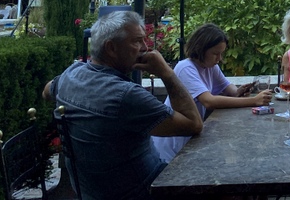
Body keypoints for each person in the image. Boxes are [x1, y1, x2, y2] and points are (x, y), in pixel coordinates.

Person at [42, 11, 202, 200]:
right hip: (144, 190)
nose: (145, 48)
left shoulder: (71, 74)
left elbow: (46, 91)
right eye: (137, 41)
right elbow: (193, 124)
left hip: (89, 192)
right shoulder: (126, 96)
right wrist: (166, 73)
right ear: (111, 48)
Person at [151, 24, 273, 162]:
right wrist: (254, 101)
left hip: (190, 138)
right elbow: (208, 101)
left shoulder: (209, 66)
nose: (219, 58)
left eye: (221, 53)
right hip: (173, 146)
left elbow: (229, 89)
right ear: (201, 49)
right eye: (215, 53)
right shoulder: (186, 68)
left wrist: (240, 91)